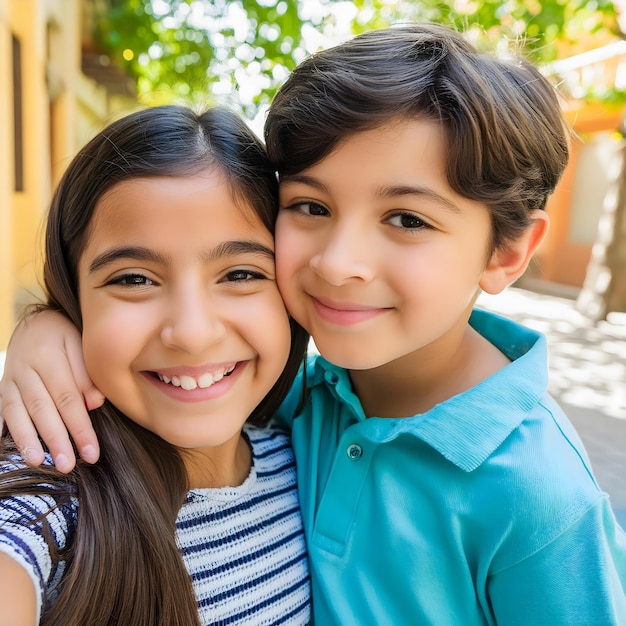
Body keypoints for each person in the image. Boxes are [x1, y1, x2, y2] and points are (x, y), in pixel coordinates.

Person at [2, 23, 626, 625]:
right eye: (310, 206)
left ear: (507, 252)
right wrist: (49, 327)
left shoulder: (544, 499)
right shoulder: (297, 398)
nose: (337, 262)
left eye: (407, 219)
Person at [0, 105, 311, 625]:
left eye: (239, 273)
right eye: (134, 279)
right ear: (74, 303)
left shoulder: (308, 452)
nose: (191, 332)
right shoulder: (51, 488)